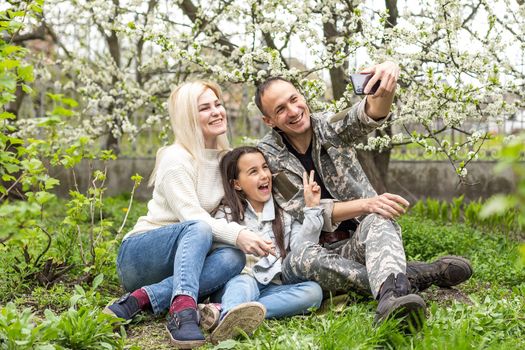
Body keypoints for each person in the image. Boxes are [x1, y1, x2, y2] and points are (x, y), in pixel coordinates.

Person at [255, 61, 473, 325]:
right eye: (280, 109)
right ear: (268, 120)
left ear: (302, 96)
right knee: (302, 257)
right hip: (313, 252)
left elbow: (368, 113)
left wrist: (387, 82)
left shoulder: (328, 125)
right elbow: (308, 209)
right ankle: (409, 276)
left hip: (358, 244)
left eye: (294, 99)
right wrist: (367, 203)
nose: (293, 111)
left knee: (379, 218)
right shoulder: (268, 157)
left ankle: (392, 300)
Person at [104, 81, 276, 348]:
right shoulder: (177, 158)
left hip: (186, 261)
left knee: (233, 256)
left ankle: (141, 299)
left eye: (218, 104)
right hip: (141, 255)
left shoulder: (225, 159)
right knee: (200, 227)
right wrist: (238, 234)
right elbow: (192, 217)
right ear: (188, 117)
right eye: (205, 108)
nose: (217, 111)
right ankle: (182, 311)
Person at [200, 146, 323, 344]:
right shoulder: (226, 214)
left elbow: (302, 250)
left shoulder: (284, 214)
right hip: (239, 282)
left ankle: (234, 313)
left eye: (265, 167)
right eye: (253, 171)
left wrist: (312, 209)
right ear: (237, 184)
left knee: (313, 292)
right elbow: (217, 256)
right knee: (245, 283)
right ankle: (229, 320)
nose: (264, 175)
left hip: (272, 286)